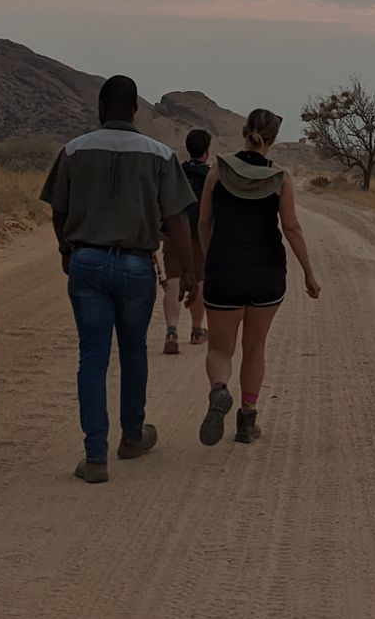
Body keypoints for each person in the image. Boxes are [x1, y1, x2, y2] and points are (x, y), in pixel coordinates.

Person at [40, 75, 198, 484]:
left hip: (87, 261)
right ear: (135, 110)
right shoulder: (160, 154)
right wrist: (192, 270)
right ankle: (132, 435)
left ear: (100, 107)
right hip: (136, 265)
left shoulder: (74, 150)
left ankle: (95, 456)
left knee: (92, 356)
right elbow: (177, 218)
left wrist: (65, 249)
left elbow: (58, 210)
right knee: (133, 351)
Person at [197, 109, 320, 447]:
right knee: (255, 346)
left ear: (244, 132)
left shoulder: (218, 170)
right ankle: (247, 420)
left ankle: (220, 391)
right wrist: (309, 272)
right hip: (266, 271)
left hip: (224, 268)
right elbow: (291, 228)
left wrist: (212, 259)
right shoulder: (280, 177)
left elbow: (204, 222)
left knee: (221, 348)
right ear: (274, 139)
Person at [161, 128, 213, 355]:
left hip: (174, 234)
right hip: (199, 236)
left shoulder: (176, 173)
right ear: (207, 151)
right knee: (200, 282)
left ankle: (171, 330)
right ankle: (196, 331)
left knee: (173, 282)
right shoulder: (210, 175)